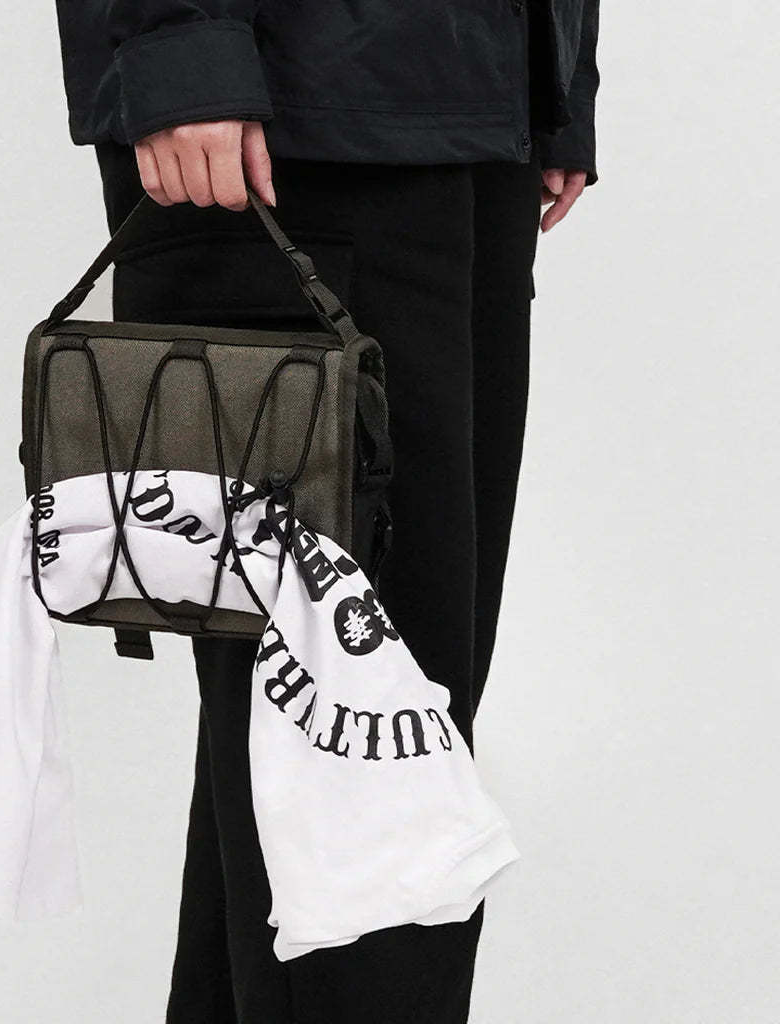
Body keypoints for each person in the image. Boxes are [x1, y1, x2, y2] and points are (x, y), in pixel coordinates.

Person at [52, 2, 599, 1021]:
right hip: (287, 121)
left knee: (382, 706)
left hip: (474, 101)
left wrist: (560, 69)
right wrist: (178, 41)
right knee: (356, 732)